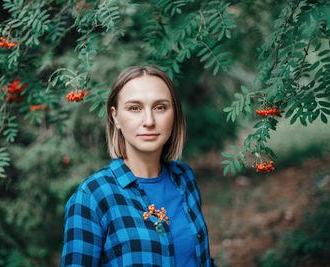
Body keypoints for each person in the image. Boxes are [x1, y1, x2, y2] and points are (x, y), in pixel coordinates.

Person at [61, 65, 216, 267]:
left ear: (174, 114)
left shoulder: (184, 178)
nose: (149, 121)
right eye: (135, 108)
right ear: (115, 117)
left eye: (160, 107)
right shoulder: (93, 196)